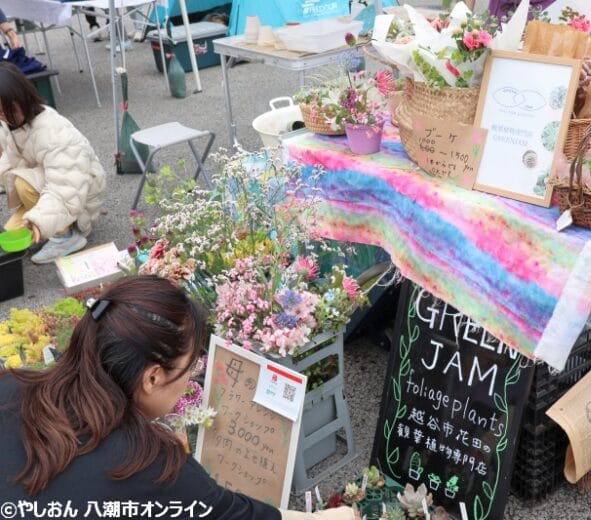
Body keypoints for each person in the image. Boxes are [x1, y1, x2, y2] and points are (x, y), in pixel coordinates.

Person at [0, 275, 354, 520]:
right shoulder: (149, 465)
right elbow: (232, 513)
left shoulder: (10, 387)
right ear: (152, 377)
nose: (190, 381)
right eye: (189, 369)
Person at [0, 62, 106, 264]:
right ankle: (50, 226)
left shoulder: (54, 132)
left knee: (23, 186)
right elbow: (9, 161)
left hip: (79, 195)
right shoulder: (11, 123)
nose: (3, 116)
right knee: (10, 234)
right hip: (46, 184)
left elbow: (64, 187)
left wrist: (38, 220)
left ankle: (67, 237)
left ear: (23, 96)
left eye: (7, 109)